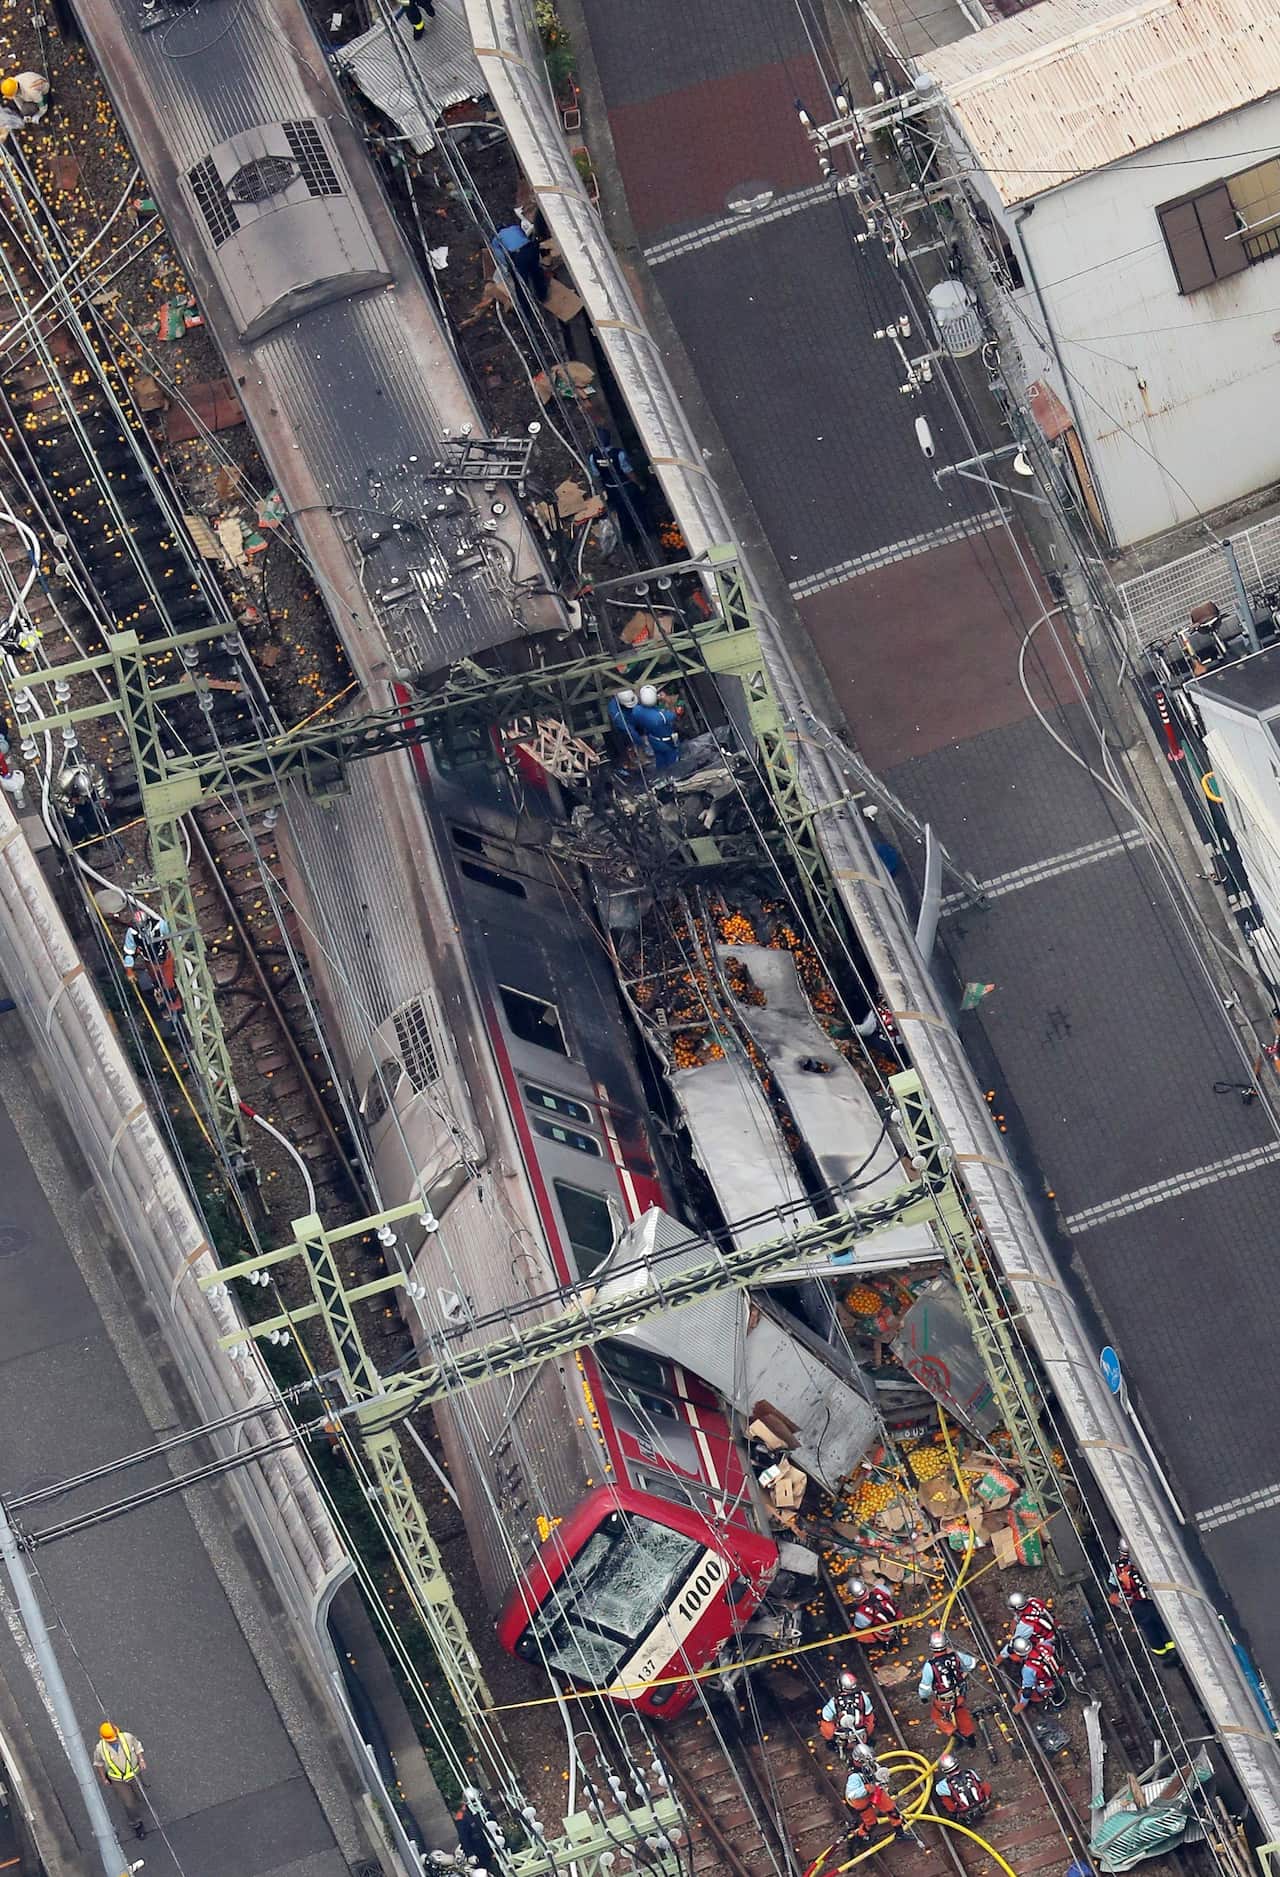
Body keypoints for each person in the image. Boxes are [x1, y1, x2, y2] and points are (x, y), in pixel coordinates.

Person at [1109, 1540, 1175, 1659]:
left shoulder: (1116, 1568)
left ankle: (1162, 1654)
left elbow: (1113, 1588)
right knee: (1163, 1624)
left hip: (1137, 1606)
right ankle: (1173, 1649)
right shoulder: (1143, 1560)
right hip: (1152, 1600)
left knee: (1150, 1629)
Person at [93, 1720, 147, 1839]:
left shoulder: (127, 1737)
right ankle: (136, 1824)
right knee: (129, 1804)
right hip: (118, 1779)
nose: (114, 1740)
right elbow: (99, 1764)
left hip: (134, 1773)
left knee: (140, 1795)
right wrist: (104, 1778)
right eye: (111, 1739)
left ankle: (137, 1800)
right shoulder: (100, 1749)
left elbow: (137, 1747)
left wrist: (141, 1760)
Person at [919, 1631, 978, 1740]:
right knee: (961, 1712)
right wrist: (963, 1673)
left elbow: (925, 1687)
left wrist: (923, 1697)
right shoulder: (956, 1656)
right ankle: (970, 1738)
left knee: (937, 1716)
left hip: (944, 1701)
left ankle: (958, 1736)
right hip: (959, 1695)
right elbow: (972, 1663)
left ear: (931, 1647)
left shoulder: (930, 1666)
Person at [842, 1744, 903, 1843]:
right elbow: (851, 1795)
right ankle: (862, 1835)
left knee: (892, 1810)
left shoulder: (870, 1764)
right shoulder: (854, 1777)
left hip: (874, 1790)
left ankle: (900, 1833)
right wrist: (865, 1790)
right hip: (861, 1799)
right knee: (871, 1823)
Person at [1001, 1633, 1063, 1712]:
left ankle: (1046, 1694)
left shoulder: (1028, 1670)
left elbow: (1027, 1691)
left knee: (1022, 1693)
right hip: (1059, 1670)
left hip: (1051, 1683)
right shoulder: (1042, 1646)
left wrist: (1021, 1704)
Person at [491, 222, 547, 304]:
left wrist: (508, 267)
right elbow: (523, 237)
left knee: (520, 283)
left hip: (519, 254)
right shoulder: (515, 227)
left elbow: (500, 256)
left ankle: (527, 311)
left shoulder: (496, 239)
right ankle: (542, 296)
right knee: (535, 272)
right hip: (531, 248)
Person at [819, 1669, 876, 1745]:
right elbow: (870, 1718)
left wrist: (831, 1737)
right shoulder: (863, 1696)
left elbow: (826, 1719)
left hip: (843, 1738)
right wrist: (868, 1732)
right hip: (862, 1735)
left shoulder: (834, 1702)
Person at [631, 684, 680, 770]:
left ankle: (661, 777)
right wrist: (668, 701)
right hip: (666, 742)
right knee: (673, 763)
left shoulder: (637, 711)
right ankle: (674, 777)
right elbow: (673, 715)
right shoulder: (661, 716)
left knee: (660, 760)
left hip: (652, 739)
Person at [934, 1756, 992, 1825]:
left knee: (944, 1799)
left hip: (964, 1813)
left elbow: (938, 1791)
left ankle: (957, 1818)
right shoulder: (970, 1772)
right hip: (982, 1805)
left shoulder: (943, 1785)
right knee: (984, 1785)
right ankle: (986, 1803)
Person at [848, 1576, 900, 1641]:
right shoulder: (880, 1589)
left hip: (886, 1631)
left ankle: (885, 1639)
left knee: (854, 1632)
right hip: (898, 1618)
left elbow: (859, 1626)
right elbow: (889, 1593)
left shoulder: (861, 1613)